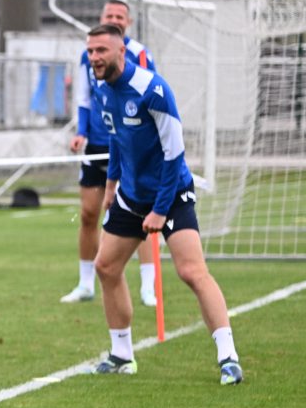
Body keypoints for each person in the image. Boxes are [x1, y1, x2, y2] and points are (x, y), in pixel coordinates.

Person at [86, 23, 242, 385]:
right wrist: (111, 186)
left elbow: (175, 155)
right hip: (131, 195)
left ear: (121, 52)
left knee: (191, 271)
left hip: (171, 194)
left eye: (101, 51)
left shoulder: (153, 90)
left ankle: (229, 358)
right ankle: (121, 354)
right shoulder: (101, 88)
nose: (94, 57)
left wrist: (159, 209)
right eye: (91, 51)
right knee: (106, 267)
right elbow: (116, 139)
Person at [64, 0, 158, 307]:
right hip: (98, 146)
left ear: (128, 22)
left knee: (141, 214)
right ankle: (85, 283)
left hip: (130, 147)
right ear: (101, 17)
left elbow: (148, 97)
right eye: (109, 15)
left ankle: (148, 286)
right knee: (89, 213)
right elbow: (84, 97)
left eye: (120, 15)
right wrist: (81, 132)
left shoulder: (140, 54)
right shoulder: (86, 56)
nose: (115, 19)